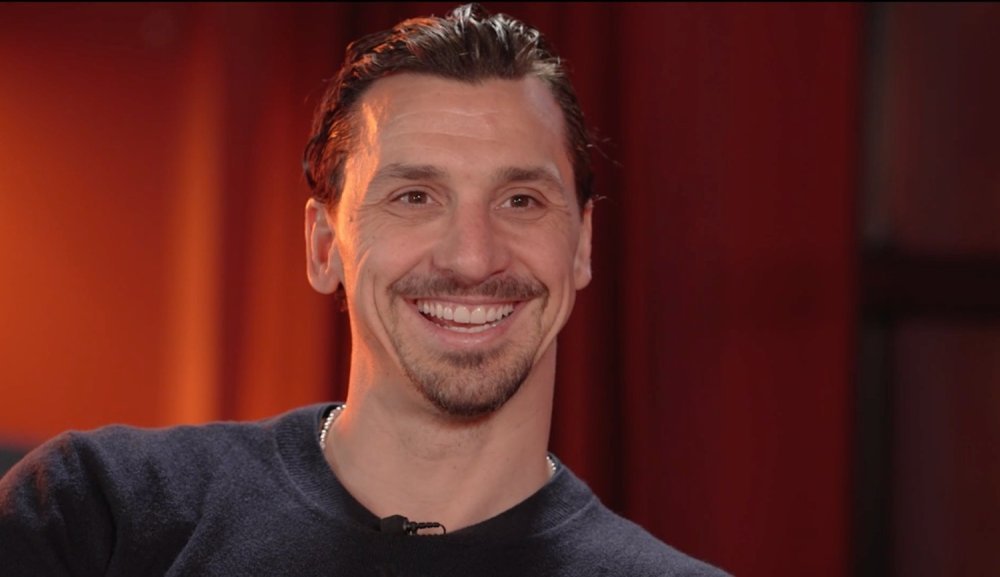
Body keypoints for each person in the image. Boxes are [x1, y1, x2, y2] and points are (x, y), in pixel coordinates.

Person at [0, 4, 728, 575]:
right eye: (414, 197)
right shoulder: (96, 514)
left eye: (521, 201)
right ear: (324, 246)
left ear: (583, 245)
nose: (473, 257)